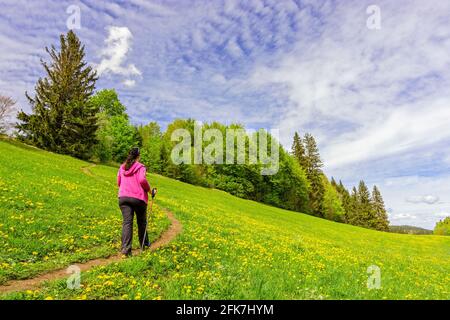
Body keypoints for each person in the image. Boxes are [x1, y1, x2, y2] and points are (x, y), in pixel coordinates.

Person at [117, 147, 151, 256]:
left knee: (127, 223)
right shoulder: (141, 167)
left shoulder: (122, 167)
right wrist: (149, 190)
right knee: (141, 222)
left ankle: (126, 251)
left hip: (123, 197)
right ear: (138, 156)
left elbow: (118, 182)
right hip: (138, 198)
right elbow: (142, 179)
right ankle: (144, 246)